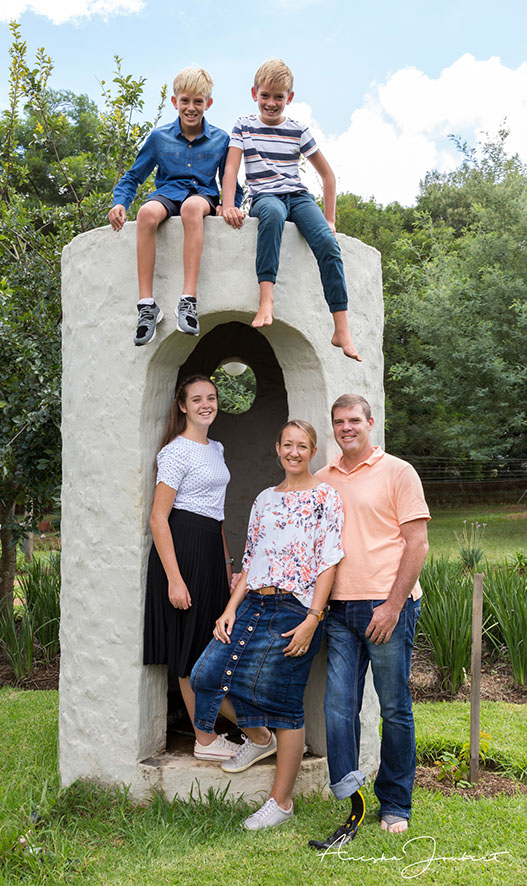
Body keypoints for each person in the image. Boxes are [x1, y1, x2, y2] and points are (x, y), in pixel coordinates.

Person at [191, 421, 344, 829]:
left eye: (302, 446)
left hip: (296, 609)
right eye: (287, 444)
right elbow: (250, 559)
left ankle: (281, 802)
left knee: (285, 704)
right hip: (253, 603)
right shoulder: (264, 499)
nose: (294, 452)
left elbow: (328, 561)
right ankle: (260, 738)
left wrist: (313, 618)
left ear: (312, 451)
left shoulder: (326, 496)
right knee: (205, 676)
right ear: (277, 448)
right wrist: (229, 609)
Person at [308, 393, 430, 850]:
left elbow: (417, 544)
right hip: (339, 609)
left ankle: (395, 802)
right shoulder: (323, 479)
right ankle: (351, 797)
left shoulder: (398, 472)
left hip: (386, 606)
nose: (347, 427)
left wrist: (393, 605)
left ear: (370, 422)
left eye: (354, 420)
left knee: (394, 707)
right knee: (339, 707)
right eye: (339, 421)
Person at [220, 58, 361, 362]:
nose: (271, 103)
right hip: (265, 197)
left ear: (290, 97)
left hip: (298, 197)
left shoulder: (298, 130)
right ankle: (267, 299)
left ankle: (341, 327)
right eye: (265, 96)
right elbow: (231, 170)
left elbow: (328, 176)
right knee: (271, 216)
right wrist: (228, 205)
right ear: (254, 93)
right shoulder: (244, 125)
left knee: (328, 243)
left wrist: (330, 219)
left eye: (278, 97)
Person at [108, 67, 242, 346]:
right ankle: (147, 306)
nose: (191, 108)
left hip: (202, 196)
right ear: (174, 102)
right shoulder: (160, 138)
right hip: (167, 193)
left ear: (208, 103)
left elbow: (230, 180)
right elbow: (134, 176)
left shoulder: (220, 139)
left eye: (198, 101)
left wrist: (230, 206)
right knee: (146, 213)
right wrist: (120, 202)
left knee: (191, 208)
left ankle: (188, 300)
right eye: (185, 101)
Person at [143, 375, 239, 761]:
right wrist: (174, 579)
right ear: (182, 406)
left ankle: (216, 729)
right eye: (197, 399)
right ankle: (204, 740)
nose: (206, 404)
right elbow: (158, 518)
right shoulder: (175, 452)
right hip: (183, 553)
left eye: (211, 398)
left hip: (211, 552)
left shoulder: (217, 448)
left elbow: (217, 514)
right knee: (190, 650)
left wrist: (227, 565)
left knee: (211, 645)